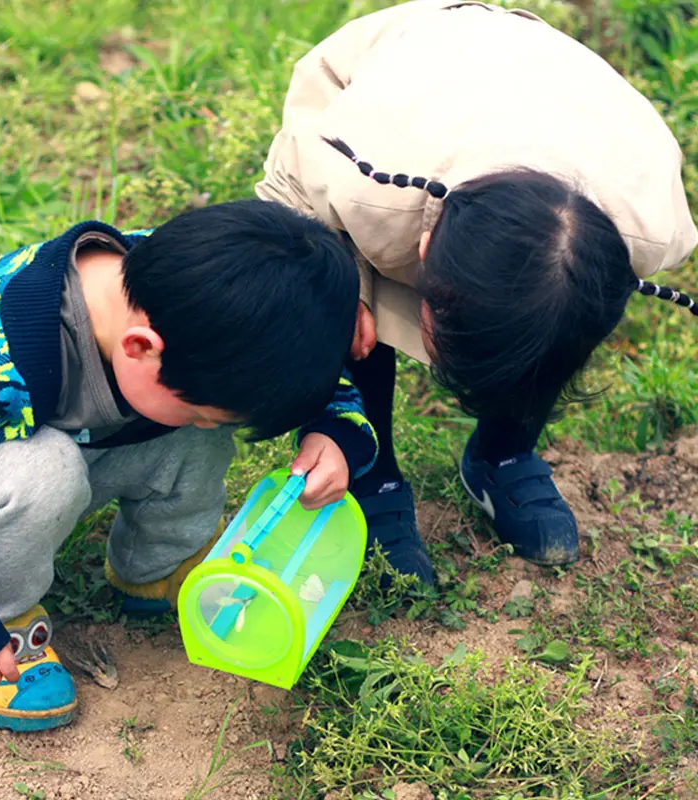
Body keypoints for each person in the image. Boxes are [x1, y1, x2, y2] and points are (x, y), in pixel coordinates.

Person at [257, 0, 698, 579]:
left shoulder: (646, 225)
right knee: (342, 307)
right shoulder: (362, 177)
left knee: (551, 318)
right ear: (422, 253)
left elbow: (553, 316)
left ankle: (501, 455)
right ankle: (374, 469)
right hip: (411, 59)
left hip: (552, 86)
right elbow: (287, 201)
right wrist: (349, 287)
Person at [0, 199, 376, 731]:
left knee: (189, 431)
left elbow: (279, 357)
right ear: (140, 348)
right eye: (198, 410)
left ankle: (153, 571)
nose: (203, 421)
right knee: (43, 473)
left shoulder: (196, 296)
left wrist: (335, 429)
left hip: (77, 435)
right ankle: (2, 618)